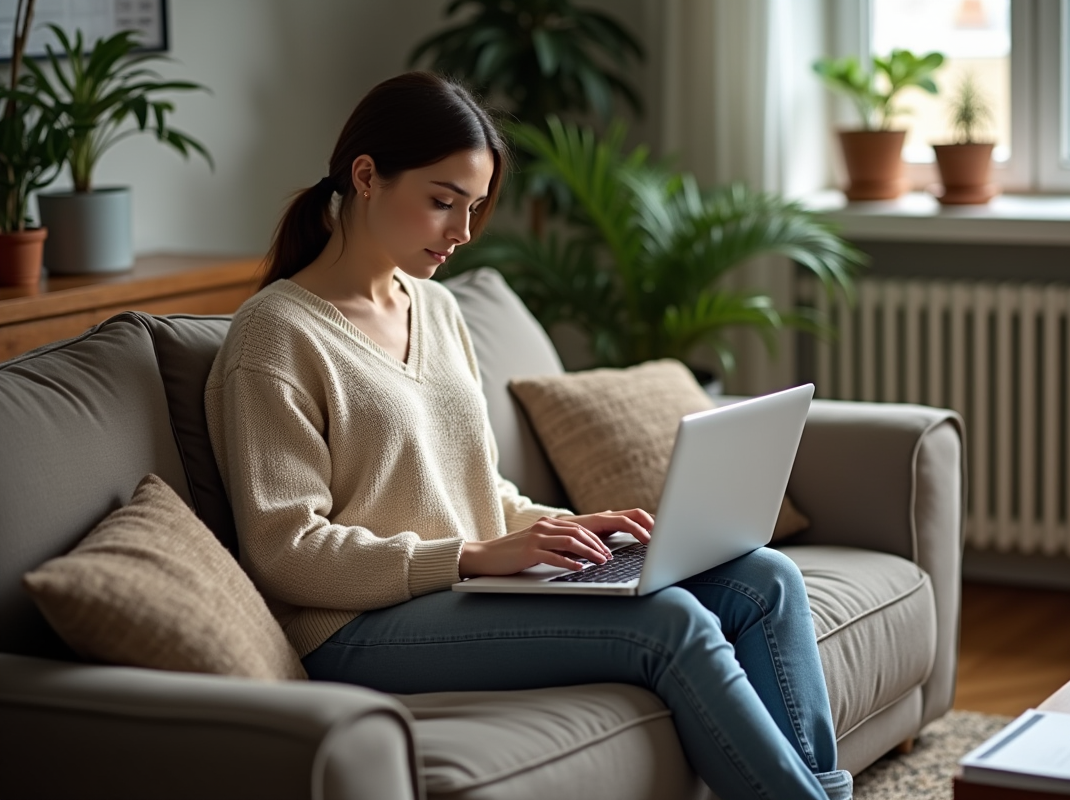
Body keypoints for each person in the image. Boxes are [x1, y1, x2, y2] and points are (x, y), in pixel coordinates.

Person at [204, 71, 852, 800]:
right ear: (366, 177)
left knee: (766, 579)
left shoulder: (439, 309)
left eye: (474, 208)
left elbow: (478, 487)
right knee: (668, 622)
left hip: (467, 588)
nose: (463, 232)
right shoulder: (274, 336)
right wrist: (474, 556)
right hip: (356, 628)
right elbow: (285, 550)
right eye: (443, 203)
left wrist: (572, 531)